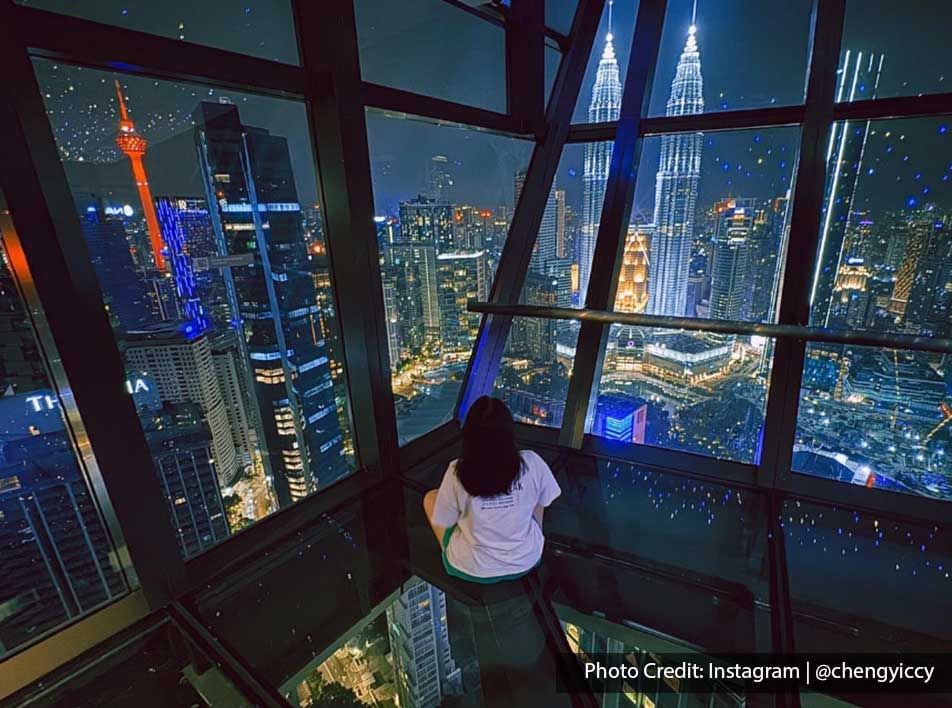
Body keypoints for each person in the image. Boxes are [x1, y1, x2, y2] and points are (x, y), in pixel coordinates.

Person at [423, 396, 561, 583]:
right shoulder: (532, 462)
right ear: (509, 433)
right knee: (536, 495)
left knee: (430, 498)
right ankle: (531, 536)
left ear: (469, 436)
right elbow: (545, 500)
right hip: (527, 558)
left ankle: (459, 544)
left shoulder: (457, 471)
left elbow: (444, 518)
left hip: (470, 566)